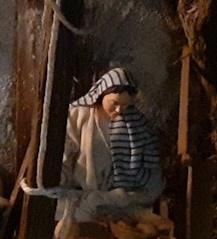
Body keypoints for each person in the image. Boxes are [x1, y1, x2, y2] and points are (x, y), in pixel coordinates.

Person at [60, 66, 163, 223]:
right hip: (82, 190)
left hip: (117, 193)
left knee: (131, 205)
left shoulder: (136, 124)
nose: (119, 110)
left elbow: (148, 159)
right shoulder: (79, 115)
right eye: (114, 103)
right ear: (102, 94)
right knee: (64, 207)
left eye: (125, 105)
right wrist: (61, 179)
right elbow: (65, 151)